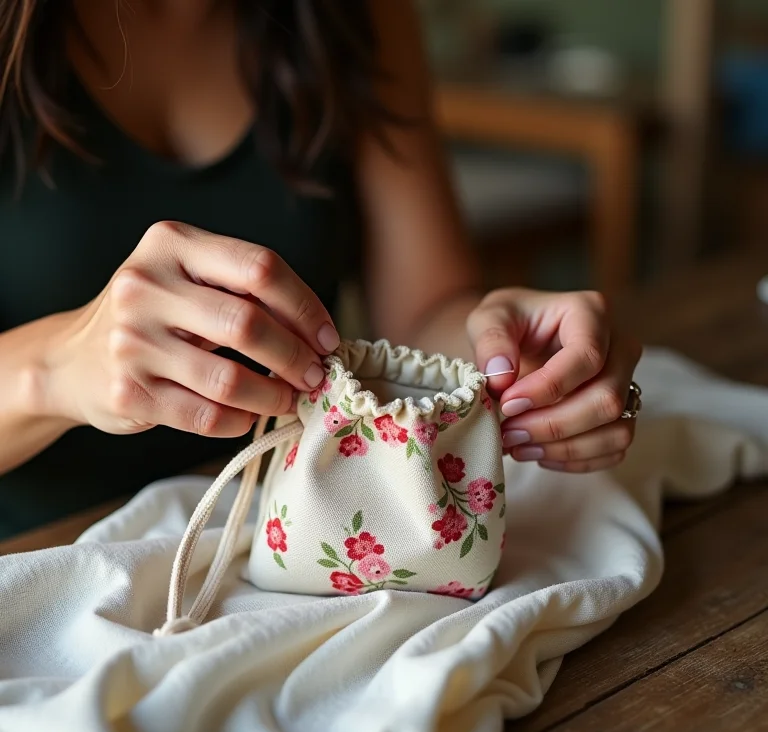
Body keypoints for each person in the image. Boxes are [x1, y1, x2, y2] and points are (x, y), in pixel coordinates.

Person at [0, 0, 641, 538]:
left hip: (298, 545)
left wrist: (508, 354)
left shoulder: (356, 13)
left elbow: (422, 315)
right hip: (39, 572)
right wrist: (54, 370)